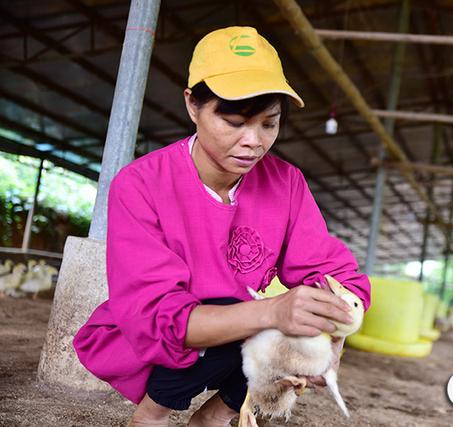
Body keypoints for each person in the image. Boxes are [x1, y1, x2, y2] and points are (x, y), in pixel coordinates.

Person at [73, 26, 371, 427]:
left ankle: (216, 417)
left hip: (234, 328)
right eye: (233, 122)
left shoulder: (285, 182)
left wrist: (334, 328)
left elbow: (333, 271)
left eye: (270, 123)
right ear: (192, 106)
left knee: (299, 333)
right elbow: (160, 316)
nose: (254, 141)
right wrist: (274, 311)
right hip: (155, 336)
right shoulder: (141, 184)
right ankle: (152, 414)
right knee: (262, 316)